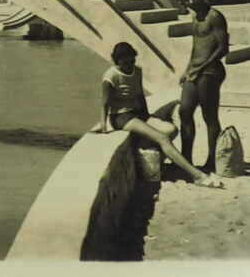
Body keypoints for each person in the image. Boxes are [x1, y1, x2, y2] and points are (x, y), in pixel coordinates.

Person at [91, 42, 223, 188]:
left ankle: (147, 148)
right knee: (162, 138)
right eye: (125, 62)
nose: (130, 65)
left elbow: (140, 95)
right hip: (122, 117)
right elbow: (104, 103)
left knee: (171, 129)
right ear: (117, 60)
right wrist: (104, 126)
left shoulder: (137, 71)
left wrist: (148, 117)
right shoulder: (110, 76)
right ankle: (196, 175)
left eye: (132, 61)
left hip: (138, 114)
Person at [177, 0, 230, 174]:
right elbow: (196, 47)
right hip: (195, 70)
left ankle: (212, 160)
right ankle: (186, 159)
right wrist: (187, 69)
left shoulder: (214, 17)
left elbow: (222, 48)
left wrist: (201, 68)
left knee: (209, 116)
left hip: (211, 71)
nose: (191, 2)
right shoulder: (195, 18)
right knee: (184, 111)